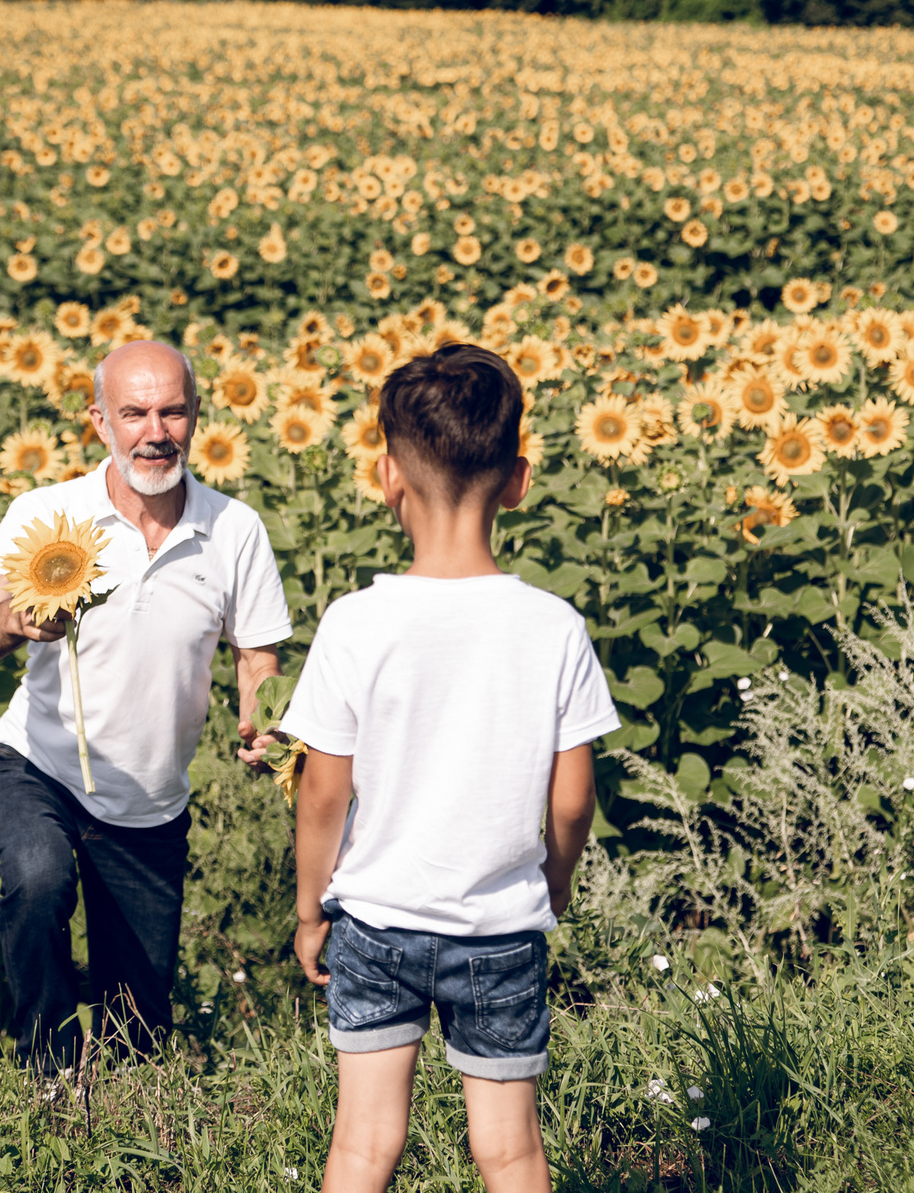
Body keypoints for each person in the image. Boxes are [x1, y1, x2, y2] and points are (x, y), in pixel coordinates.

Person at [282, 343, 619, 1193]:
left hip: (377, 921)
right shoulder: (553, 627)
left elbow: (323, 788)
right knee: (509, 1151)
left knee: (363, 1146)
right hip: (500, 928)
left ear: (387, 474)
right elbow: (574, 799)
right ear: (519, 478)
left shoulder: (355, 622)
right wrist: (556, 878)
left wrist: (310, 908)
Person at [0, 339, 291, 1071]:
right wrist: (14, 620)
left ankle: (120, 1121)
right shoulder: (49, 513)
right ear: (99, 420)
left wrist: (261, 721)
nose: (154, 430)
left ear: (196, 416)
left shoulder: (235, 530)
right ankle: (48, 1073)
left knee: (136, 1031)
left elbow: (256, 656)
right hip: (40, 764)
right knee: (37, 878)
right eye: (134, 412)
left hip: (148, 804)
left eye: (171, 411)